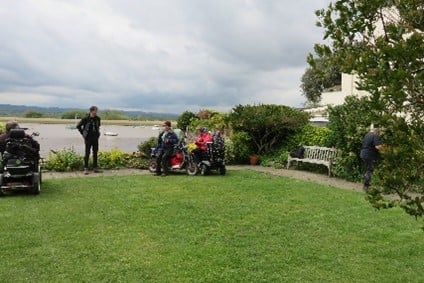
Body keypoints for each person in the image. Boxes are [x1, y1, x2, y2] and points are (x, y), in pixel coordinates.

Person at [77, 106, 102, 175]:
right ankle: (85, 168)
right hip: (88, 138)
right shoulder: (85, 118)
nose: (96, 112)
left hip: (95, 138)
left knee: (95, 153)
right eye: (95, 111)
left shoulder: (98, 118)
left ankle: (95, 168)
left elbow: (98, 126)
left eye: (97, 111)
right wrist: (83, 134)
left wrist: (98, 134)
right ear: (91, 111)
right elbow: (78, 126)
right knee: (87, 153)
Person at [360, 126, 383, 191]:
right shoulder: (375, 136)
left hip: (363, 153)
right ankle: (366, 185)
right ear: (377, 132)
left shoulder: (367, 135)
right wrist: (383, 148)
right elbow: (377, 147)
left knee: (368, 169)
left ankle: (367, 184)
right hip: (369, 155)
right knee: (370, 169)